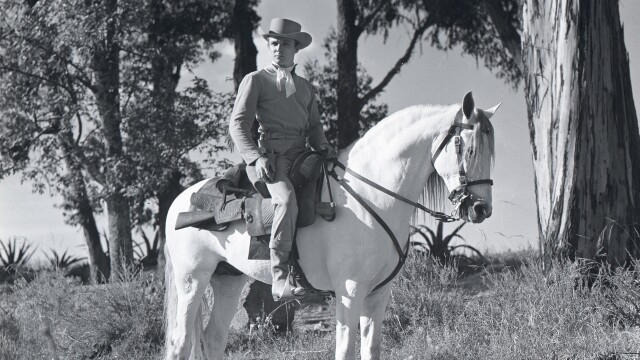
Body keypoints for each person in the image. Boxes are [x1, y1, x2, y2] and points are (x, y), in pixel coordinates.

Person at [229, 18, 336, 301]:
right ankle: (278, 277)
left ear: (296, 48)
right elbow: (238, 125)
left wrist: (323, 146)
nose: (279, 48)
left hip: (302, 153)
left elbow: (314, 127)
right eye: (274, 43)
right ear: (268, 46)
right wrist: (255, 157)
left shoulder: (306, 87)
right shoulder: (255, 80)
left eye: (285, 43)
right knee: (286, 200)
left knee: (337, 186)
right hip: (271, 159)